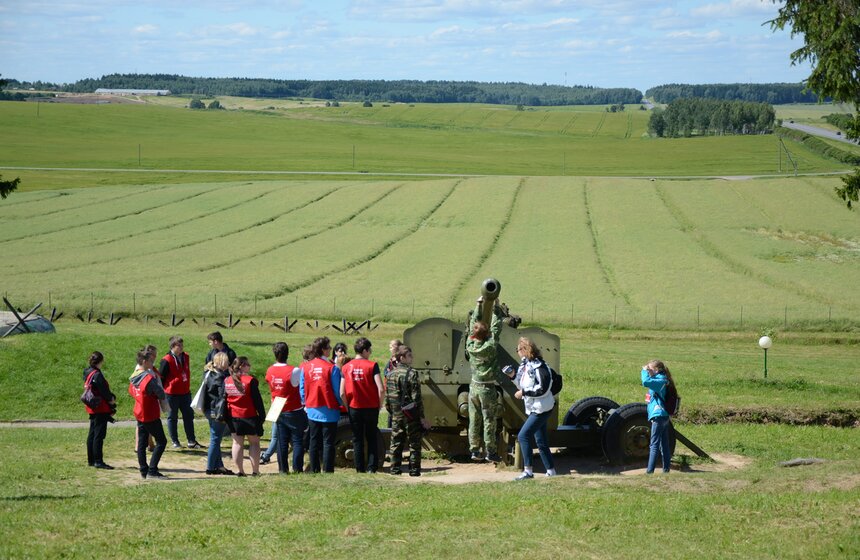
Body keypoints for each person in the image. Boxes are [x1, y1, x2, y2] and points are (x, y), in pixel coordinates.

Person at [505, 337, 557, 480]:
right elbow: (522, 384)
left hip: (541, 409)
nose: (517, 352)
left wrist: (524, 393)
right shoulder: (526, 365)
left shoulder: (540, 366)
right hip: (535, 408)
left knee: (523, 436)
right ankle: (551, 471)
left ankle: (528, 471)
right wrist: (512, 376)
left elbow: (543, 389)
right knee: (541, 441)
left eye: (518, 349)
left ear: (524, 350)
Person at [465, 298, 505, 462]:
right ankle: (490, 451)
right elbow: (497, 327)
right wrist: (496, 307)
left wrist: (479, 304)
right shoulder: (490, 345)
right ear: (487, 334)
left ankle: (474, 450)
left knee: (474, 419)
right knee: (489, 420)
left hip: (474, 387)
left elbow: (472, 325)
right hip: (487, 389)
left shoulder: (470, 344)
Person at [385, 345, 430, 476]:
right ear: (402, 357)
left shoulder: (390, 374)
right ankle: (414, 470)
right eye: (409, 356)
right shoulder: (412, 373)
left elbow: (387, 399)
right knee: (414, 443)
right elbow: (417, 398)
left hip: (396, 414)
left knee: (396, 442)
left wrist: (392, 412)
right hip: (410, 414)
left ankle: (394, 469)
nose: (412, 358)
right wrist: (421, 417)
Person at [300, 336, 343, 473]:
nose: (330, 349)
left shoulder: (306, 367)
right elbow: (337, 391)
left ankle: (314, 469)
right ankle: (328, 470)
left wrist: (305, 403)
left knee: (313, 440)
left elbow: (302, 388)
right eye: (329, 347)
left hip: (312, 408)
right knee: (328, 442)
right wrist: (341, 403)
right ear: (324, 350)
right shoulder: (332, 368)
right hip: (329, 410)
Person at [340, 337, 383, 473]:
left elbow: (342, 392)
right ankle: (372, 467)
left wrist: (348, 407)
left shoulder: (346, 367)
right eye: (369, 350)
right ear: (364, 350)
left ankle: (359, 468)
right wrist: (380, 404)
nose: (370, 353)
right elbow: (381, 388)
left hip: (354, 407)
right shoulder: (372, 365)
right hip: (371, 407)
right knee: (371, 437)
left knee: (357, 439)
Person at [265, 342, 306, 474]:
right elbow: (300, 385)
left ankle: (283, 469)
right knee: (297, 440)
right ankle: (297, 468)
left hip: (277, 405)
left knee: (281, 441)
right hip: (293, 407)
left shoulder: (270, 370)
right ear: (287, 354)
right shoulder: (294, 370)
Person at [129, 349, 168, 479]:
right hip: (149, 413)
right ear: (145, 361)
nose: (153, 363)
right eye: (151, 361)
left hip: (139, 411)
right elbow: (161, 393)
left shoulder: (134, 376)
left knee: (141, 443)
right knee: (162, 441)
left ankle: (143, 469)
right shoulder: (148, 378)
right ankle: (152, 470)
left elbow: (131, 391)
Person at [224, 357, 266, 476]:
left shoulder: (227, 380)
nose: (250, 366)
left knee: (237, 443)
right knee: (254, 443)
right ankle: (255, 471)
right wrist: (262, 415)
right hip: (249, 415)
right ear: (241, 366)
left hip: (233, 416)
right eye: (248, 364)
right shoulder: (250, 381)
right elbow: (257, 401)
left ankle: (240, 471)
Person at [158, 336, 202, 449]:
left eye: (182, 345)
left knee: (189, 416)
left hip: (185, 392)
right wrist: (163, 392)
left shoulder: (185, 356)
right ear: (173, 346)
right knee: (172, 417)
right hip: (171, 394)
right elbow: (161, 378)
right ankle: (175, 441)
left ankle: (191, 441)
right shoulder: (166, 359)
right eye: (179, 345)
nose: (182, 347)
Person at [201, 352, 234, 475]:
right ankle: (210, 467)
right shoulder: (221, 377)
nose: (229, 363)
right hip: (217, 411)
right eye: (227, 361)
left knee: (215, 438)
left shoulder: (208, 373)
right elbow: (223, 396)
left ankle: (219, 465)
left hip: (208, 409)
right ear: (222, 362)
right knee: (215, 440)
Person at [83, 351, 116, 469]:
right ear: (101, 361)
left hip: (92, 406)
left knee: (92, 433)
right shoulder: (97, 374)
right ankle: (98, 460)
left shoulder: (87, 371)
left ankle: (91, 460)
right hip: (100, 407)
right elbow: (104, 391)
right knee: (99, 435)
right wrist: (111, 399)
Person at [641, 359, 674, 474]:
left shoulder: (660, 381)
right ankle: (666, 470)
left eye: (650, 369)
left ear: (656, 369)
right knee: (664, 445)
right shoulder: (661, 379)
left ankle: (650, 472)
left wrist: (643, 371)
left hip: (658, 416)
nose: (648, 370)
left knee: (654, 445)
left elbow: (645, 382)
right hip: (663, 416)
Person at [383, 339, 402, 430]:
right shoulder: (391, 361)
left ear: (396, 348)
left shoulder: (400, 361)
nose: (390, 349)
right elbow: (386, 372)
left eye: (391, 347)